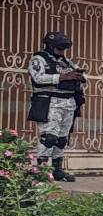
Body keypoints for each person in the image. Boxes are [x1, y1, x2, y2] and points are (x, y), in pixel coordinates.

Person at [27, 30, 86, 182]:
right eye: (59, 48)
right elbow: (38, 78)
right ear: (50, 46)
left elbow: (82, 76)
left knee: (62, 139)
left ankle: (57, 170)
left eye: (63, 49)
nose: (62, 51)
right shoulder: (39, 59)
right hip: (50, 102)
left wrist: (79, 75)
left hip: (68, 103)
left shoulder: (66, 61)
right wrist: (61, 77)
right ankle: (41, 170)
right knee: (50, 137)